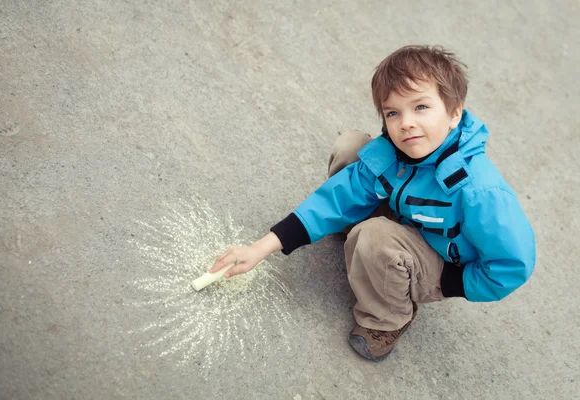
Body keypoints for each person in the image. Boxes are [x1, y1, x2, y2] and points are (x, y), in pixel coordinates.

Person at [209, 45, 536, 361]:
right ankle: (357, 234)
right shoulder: (395, 151)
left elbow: (512, 265)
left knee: (374, 236)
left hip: (441, 262)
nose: (406, 122)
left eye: (420, 107)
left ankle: (390, 317)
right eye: (393, 112)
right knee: (353, 148)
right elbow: (336, 196)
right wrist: (258, 249)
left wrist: (452, 282)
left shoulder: (479, 191)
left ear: (454, 113)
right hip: (410, 217)